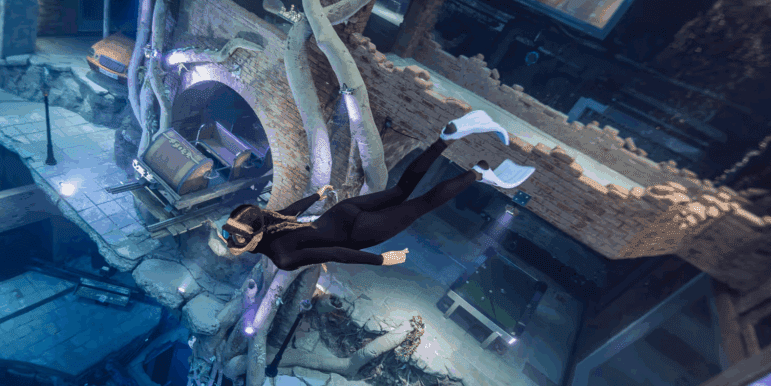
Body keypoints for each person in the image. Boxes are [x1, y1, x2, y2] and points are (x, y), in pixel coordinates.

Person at [212, 111, 536, 271]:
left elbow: (335, 253)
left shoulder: (282, 258)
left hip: (358, 232)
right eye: (230, 237)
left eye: (231, 238)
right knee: (402, 189)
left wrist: (380, 260)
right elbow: (291, 211)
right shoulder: (270, 221)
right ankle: (446, 138)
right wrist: (318, 197)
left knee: (423, 203)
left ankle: (477, 173)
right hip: (342, 213)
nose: (231, 242)